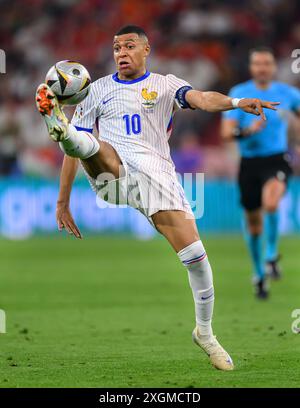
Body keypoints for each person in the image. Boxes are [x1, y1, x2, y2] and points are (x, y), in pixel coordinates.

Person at [35, 26, 278, 371]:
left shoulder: (165, 85)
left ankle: (205, 333)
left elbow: (203, 99)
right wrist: (63, 202)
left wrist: (237, 102)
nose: (121, 52)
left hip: (157, 182)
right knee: (91, 146)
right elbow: (73, 155)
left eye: (130, 46)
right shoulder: (96, 90)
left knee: (196, 258)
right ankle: (60, 127)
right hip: (113, 175)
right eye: (117, 46)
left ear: (146, 49)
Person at [221, 47, 300, 299]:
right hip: (249, 164)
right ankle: (258, 273)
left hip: (277, 160)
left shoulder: (287, 93)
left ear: (273, 67)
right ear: (251, 67)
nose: (262, 68)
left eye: (267, 63)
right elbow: (226, 133)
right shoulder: (239, 93)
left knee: (272, 202)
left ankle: (271, 254)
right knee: (254, 226)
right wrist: (247, 132)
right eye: (257, 63)